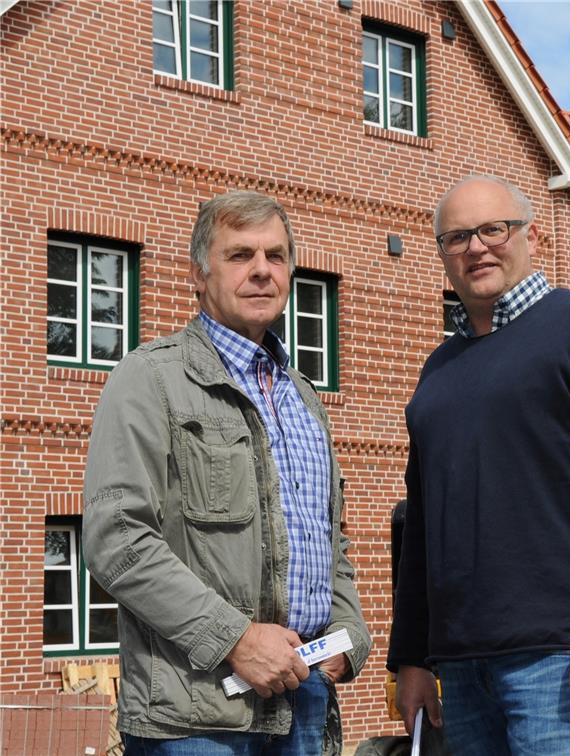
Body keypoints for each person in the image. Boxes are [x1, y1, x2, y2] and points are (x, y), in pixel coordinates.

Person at [387, 175, 570, 755]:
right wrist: (412, 659)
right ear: (442, 254)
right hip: (462, 670)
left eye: (494, 229)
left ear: (533, 237)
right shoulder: (438, 372)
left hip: (564, 660)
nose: (476, 247)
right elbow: (421, 527)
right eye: (457, 237)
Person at [83, 191, 371, 755]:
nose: (262, 270)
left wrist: (349, 634)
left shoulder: (305, 400)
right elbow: (117, 538)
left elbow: (328, 542)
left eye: (276, 256)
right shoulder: (151, 379)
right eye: (240, 255)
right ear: (199, 274)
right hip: (197, 715)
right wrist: (235, 639)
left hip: (306, 699)